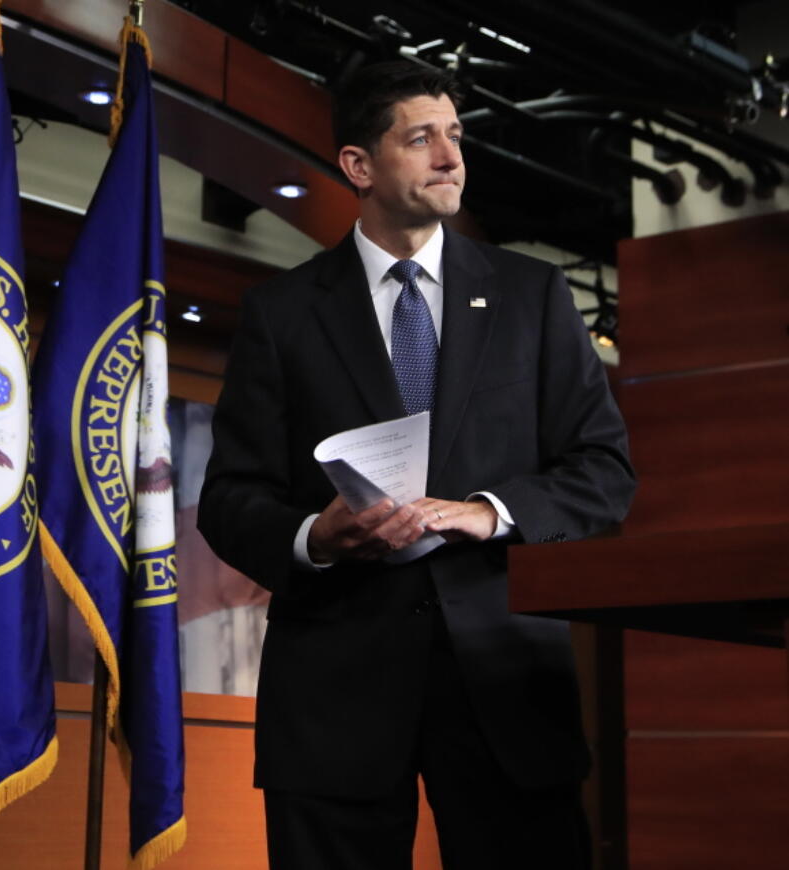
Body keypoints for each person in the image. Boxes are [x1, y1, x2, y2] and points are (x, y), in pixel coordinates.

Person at [197, 61, 636, 870]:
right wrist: (315, 538)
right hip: (335, 695)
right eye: (421, 137)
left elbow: (604, 471)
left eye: (456, 136)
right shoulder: (282, 314)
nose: (450, 157)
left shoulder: (532, 295)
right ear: (359, 167)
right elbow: (229, 498)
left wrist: (486, 510)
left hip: (506, 683)